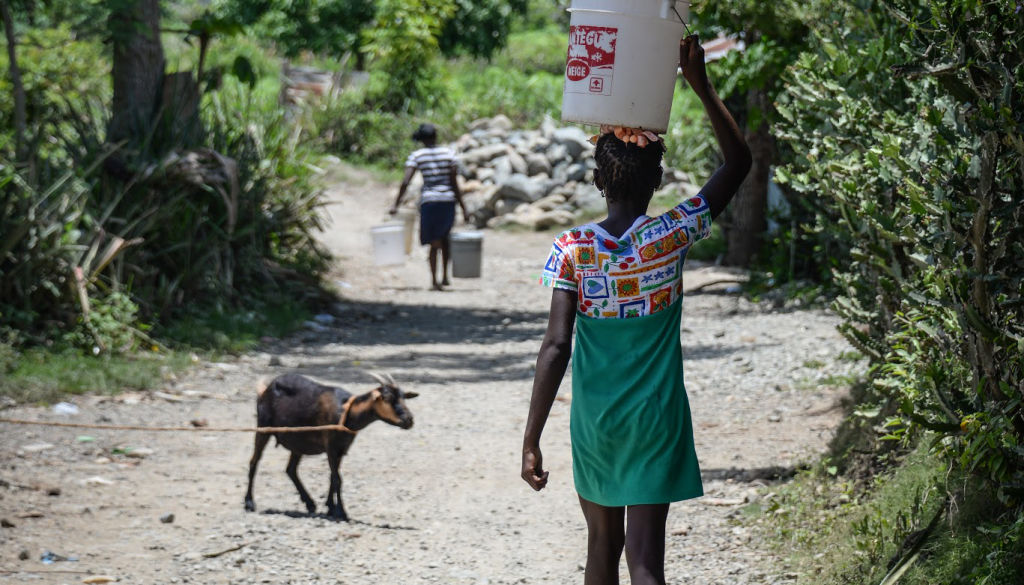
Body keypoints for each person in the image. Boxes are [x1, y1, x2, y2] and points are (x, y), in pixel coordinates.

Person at [520, 35, 752, 585]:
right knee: (645, 559)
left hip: (596, 422)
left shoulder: (572, 249)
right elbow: (739, 162)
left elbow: (556, 347)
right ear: (658, 181)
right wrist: (699, 83)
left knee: (602, 544)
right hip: (656, 418)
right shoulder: (671, 235)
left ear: (598, 180)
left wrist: (531, 439)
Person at [390, 123, 468, 290]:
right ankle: (445, 276)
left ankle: (434, 280)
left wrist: (396, 204)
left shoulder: (417, 156)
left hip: (429, 203)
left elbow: (405, 181)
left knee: (434, 242)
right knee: (445, 237)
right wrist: (464, 208)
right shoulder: (448, 153)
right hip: (448, 201)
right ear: (435, 137)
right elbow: (454, 184)